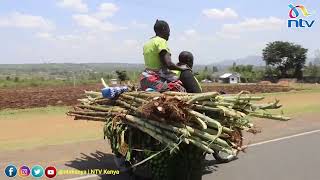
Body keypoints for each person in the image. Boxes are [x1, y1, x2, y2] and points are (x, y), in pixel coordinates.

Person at [140, 20, 188, 92]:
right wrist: (183, 69)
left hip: (145, 79)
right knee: (181, 89)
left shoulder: (147, 43)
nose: (169, 33)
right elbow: (168, 64)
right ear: (163, 29)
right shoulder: (161, 41)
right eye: (168, 30)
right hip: (156, 81)